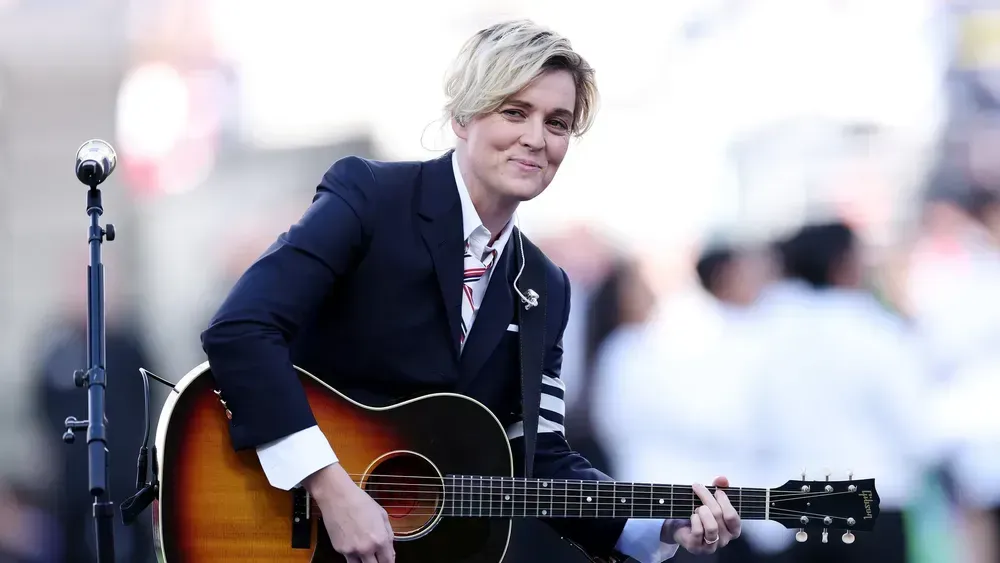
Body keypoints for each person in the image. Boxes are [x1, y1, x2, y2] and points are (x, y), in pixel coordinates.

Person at [201, 19, 741, 563]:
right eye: (515, 112)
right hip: (271, 525)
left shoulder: (545, 285)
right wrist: (330, 486)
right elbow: (241, 330)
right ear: (463, 116)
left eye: (557, 122)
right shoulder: (370, 197)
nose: (537, 138)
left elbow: (538, 456)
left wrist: (661, 522)